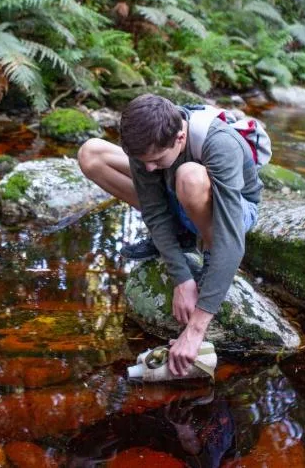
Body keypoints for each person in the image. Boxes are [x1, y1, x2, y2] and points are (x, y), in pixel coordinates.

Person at [77, 94, 262, 378]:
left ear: (180, 137)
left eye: (155, 160)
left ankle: (204, 245)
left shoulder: (220, 144)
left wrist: (196, 329)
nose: (147, 168)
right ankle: (184, 236)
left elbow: (231, 238)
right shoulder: (148, 145)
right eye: (143, 161)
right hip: (176, 194)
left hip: (232, 211)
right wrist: (182, 278)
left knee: (189, 176)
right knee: (91, 153)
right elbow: (154, 212)